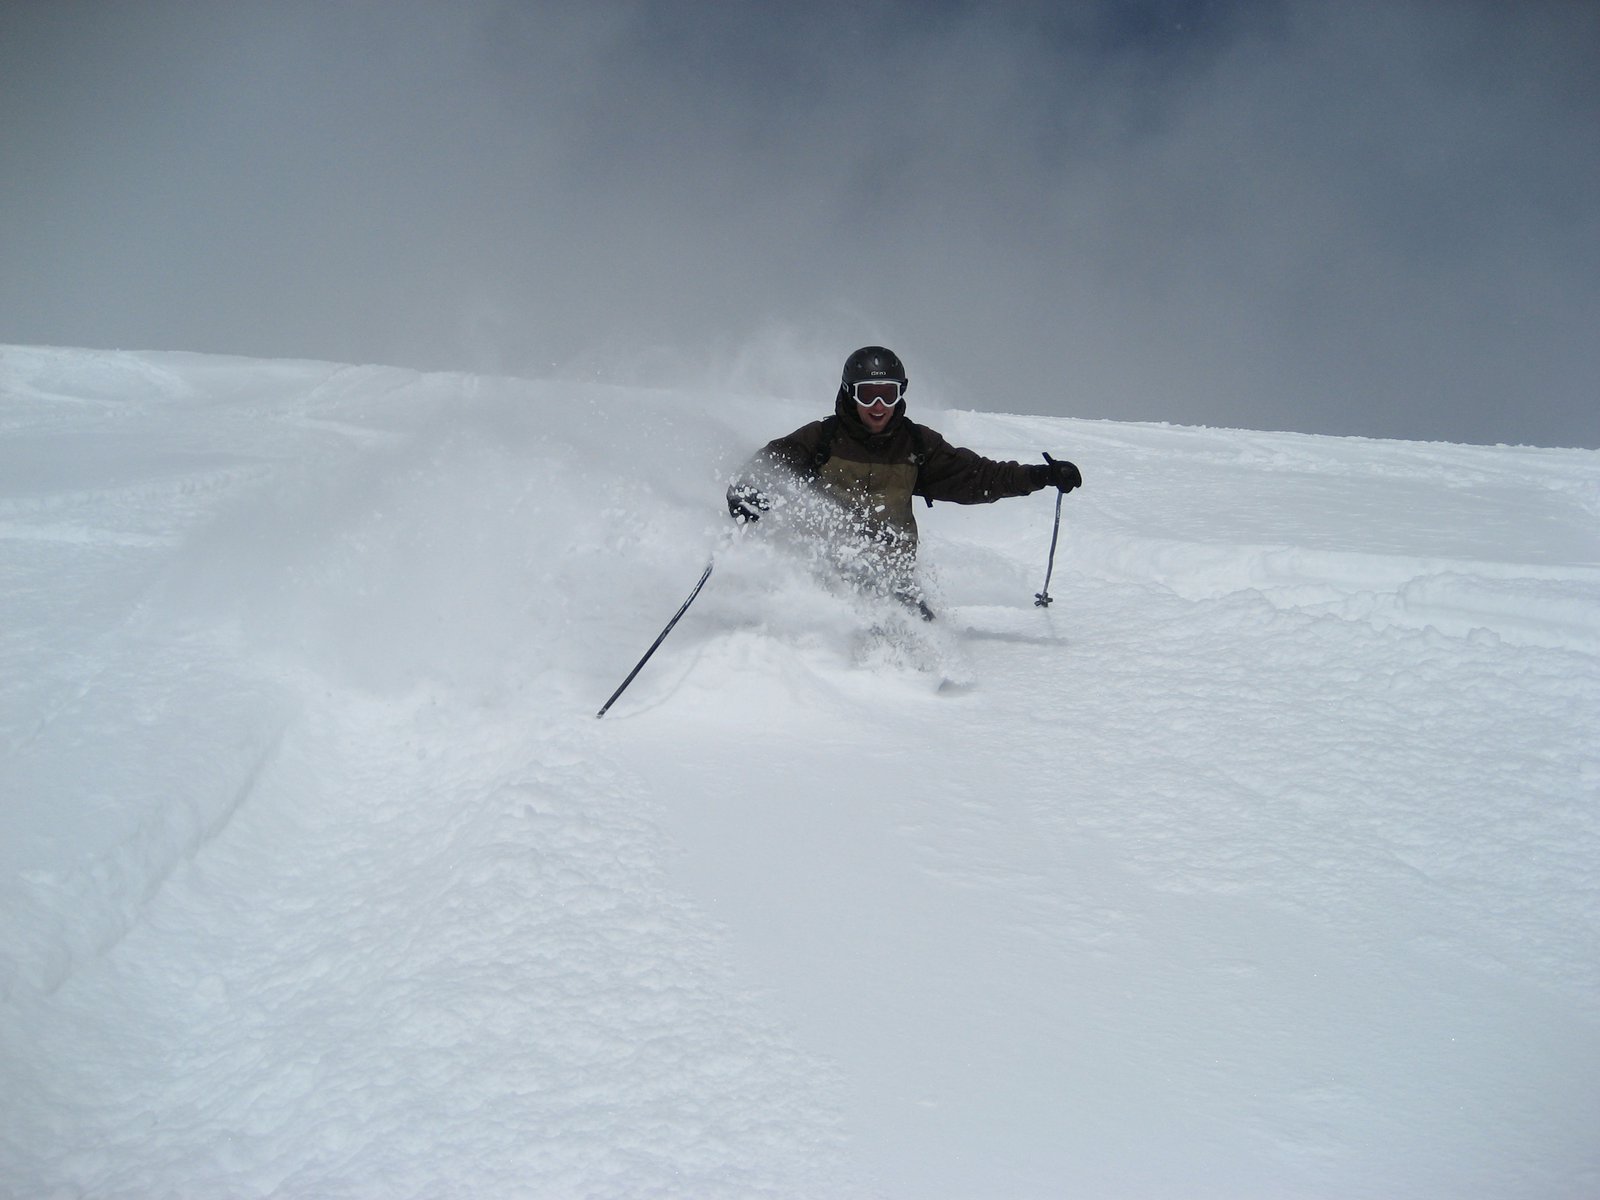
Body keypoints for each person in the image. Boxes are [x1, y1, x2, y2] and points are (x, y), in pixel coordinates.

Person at [726, 345, 1081, 613]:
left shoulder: (917, 446)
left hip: (891, 578)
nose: (878, 405)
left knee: (911, 638)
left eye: (889, 393)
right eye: (868, 393)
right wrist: (745, 493)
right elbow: (768, 466)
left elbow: (977, 477)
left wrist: (1039, 476)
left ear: (901, 393)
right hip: (822, 577)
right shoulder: (820, 439)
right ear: (850, 392)